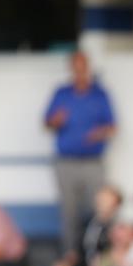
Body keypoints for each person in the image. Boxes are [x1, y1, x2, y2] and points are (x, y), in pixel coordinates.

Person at [44, 51, 116, 253]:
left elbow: (112, 127)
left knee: (100, 210)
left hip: (93, 161)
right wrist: (55, 121)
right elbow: (46, 122)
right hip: (66, 162)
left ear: (88, 67)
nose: (79, 70)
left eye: (82, 65)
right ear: (71, 68)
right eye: (75, 66)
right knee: (69, 213)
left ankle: (100, 254)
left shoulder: (99, 94)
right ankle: (71, 258)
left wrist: (99, 133)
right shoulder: (62, 93)